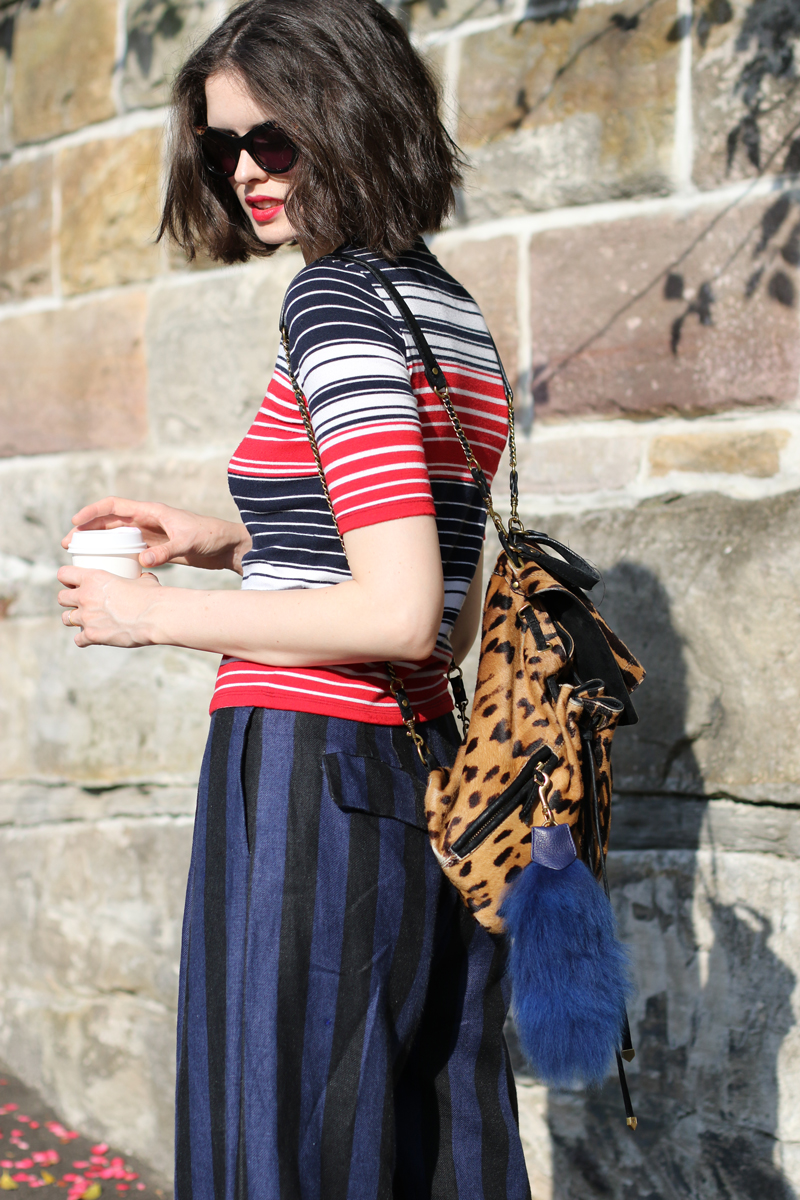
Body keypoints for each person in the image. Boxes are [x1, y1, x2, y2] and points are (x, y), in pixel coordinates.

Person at [57, 1, 531, 1196]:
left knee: (278, 1146)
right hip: (422, 774)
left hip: (308, 778)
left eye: (274, 139)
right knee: (423, 1147)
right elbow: (451, 613)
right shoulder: (449, 313)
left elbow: (396, 615)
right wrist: (234, 542)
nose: (245, 173)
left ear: (353, 115)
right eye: (222, 147)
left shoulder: (330, 304)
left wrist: (147, 616)